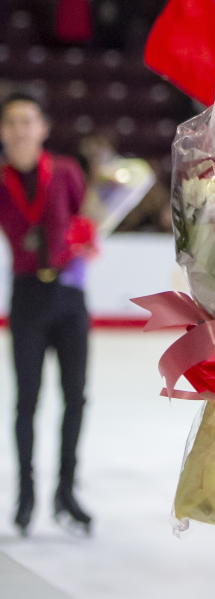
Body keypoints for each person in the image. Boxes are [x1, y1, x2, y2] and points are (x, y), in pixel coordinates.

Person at [0, 93, 93, 535]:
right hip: (26, 298)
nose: (20, 130)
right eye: (12, 122)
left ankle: (66, 492)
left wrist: (86, 241)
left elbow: (87, 220)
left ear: (43, 127)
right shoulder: (1, 181)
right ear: (3, 132)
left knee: (75, 398)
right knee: (27, 403)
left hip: (69, 296)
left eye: (27, 120)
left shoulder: (68, 172)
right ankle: (25, 495)